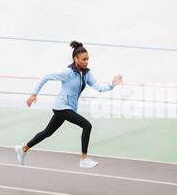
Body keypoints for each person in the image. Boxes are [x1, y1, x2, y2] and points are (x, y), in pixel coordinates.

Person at [15, 40, 122, 168]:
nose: (86, 61)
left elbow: (97, 86)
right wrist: (34, 94)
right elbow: (46, 77)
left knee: (47, 132)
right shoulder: (67, 72)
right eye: (83, 59)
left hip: (68, 108)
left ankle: (23, 149)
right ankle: (84, 159)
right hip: (61, 107)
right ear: (75, 59)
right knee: (87, 125)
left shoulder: (86, 73)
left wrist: (111, 85)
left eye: (87, 59)